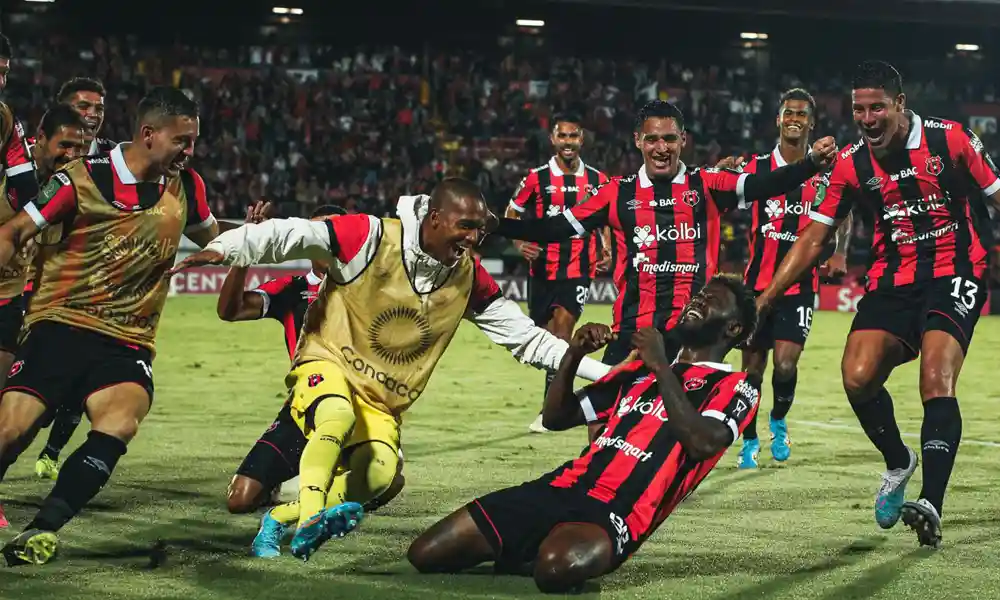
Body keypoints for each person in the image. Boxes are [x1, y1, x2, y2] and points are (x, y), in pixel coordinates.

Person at [171, 178, 614, 561]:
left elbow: (527, 339)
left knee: (381, 474)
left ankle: (282, 514)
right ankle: (307, 519)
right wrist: (225, 248)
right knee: (334, 415)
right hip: (325, 366)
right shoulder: (369, 235)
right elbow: (293, 233)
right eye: (466, 227)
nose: (474, 239)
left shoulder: (468, 277)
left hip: (380, 401)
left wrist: (608, 376)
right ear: (435, 218)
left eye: (480, 230)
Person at [0, 87, 251, 566]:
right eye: (182, 140)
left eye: (194, 141)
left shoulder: (187, 188)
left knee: (120, 421)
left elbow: (218, 238)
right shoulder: (79, 180)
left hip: (127, 340)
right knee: (11, 431)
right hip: (60, 325)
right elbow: (14, 232)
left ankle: (42, 529)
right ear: (148, 134)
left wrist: (255, 240)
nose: (190, 151)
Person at [755, 60, 1000, 548]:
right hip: (893, 281)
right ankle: (898, 462)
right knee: (857, 376)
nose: (867, 119)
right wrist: (766, 298)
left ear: (900, 105)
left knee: (936, 377)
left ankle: (930, 502)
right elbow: (814, 237)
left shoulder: (951, 141)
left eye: (877, 109)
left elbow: (997, 196)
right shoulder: (849, 164)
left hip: (956, 270)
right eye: (858, 110)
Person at [492, 100, 835, 432]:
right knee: (600, 433)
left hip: (690, 344)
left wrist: (810, 164)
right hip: (632, 336)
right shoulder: (616, 193)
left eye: (670, 139)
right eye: (652, 139)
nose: (661, 148)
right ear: (638, 141)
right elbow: (554, 228)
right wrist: (494, 224)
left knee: (678, 441)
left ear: (683, 141)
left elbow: (767, 183)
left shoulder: (707, 185)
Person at [407, 275, 761, 594]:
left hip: (617, 511)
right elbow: (556, 417)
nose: (698, 300)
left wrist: (660, 368)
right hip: (560, 486)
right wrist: (574, 355)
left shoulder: (736, 386)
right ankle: (534, 543)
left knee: (556, 570)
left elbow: (703, 443)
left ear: (732, 329)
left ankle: (535, 547)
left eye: (711, 299)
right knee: (424, 554)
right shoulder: (637, 372)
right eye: (698, 295)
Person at [222, 204, 406, 516]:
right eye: (317, 232)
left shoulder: (371, 287)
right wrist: (245, 249)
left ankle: (320, 482)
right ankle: (296, 481)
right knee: (240, 499)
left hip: (360, 408)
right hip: (304, 407)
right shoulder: (292, 289)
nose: (325, 240)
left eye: (332, 233)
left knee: (388, 481)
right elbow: (231, 310)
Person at [735, 89, 854, 468]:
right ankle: (749, 439)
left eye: (802, 114)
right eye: (789, 112)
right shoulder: (754, 168)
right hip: (755, 285)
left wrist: (840, 251)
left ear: (811, 122)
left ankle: (779, 420)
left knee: (785, 365)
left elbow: (845, 212)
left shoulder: (826, 171)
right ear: (777, 119)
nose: (795, 119)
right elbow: (720, 190)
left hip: (800, 288)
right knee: (751, 370)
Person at [28, 77, 117, 481]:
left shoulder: (116, 159)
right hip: (31, 283)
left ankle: (51, 451)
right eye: (84, 107)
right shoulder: (31, 158)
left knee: (79, 383)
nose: (93, 115)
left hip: (85, 287)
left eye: (98, 109)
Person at [505, 113, 612, 433]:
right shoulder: (536, 178)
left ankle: (549, 411)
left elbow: (606, 215)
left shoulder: (597, 179)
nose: (568, 142)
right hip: (542, 268)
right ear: (553, 140)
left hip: (579, 266)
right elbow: (512, 212)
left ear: (582, 140)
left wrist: (605, 245)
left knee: (564, 334)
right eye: (563, 136)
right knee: (546, 336)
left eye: (574, 136)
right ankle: (556, 396)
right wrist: (520, 242)